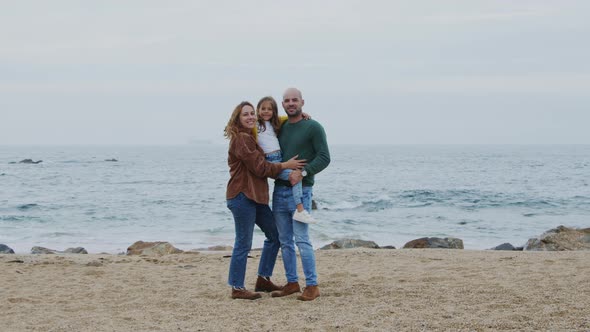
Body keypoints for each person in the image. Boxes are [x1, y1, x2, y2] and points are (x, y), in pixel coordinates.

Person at [224, 101, 306, 300]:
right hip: (242, 196)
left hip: (256, 197)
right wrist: (285, 164)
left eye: (253, 114)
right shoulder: (242, 139)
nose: (251, 117)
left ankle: (263, 279)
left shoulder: (252, 136)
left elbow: (276, 119)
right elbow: (260, 168)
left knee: (275, 235)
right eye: (246, 114)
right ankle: (237, 288)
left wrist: (302, 114)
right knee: (243, 243)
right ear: (238, 118)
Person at [270, 88, 330, 301]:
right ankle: (292, 283)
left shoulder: (313, 127)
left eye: (295, 100)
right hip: (279, 191)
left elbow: (324, 157)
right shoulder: (281, 126)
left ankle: (312, 285)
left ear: (302, 102)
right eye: (287, 100)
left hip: (302, 192)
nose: (291, 103)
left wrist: (303, 172)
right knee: (285, 241)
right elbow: (263, 121)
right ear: (283, 104)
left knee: (302, 240)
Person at [254, 96, 317, 224]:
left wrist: (303, 114)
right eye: (263, 109)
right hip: (271, 160)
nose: (266, 111)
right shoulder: (255, 125)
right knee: (295, 176)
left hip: (280, 157)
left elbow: (288, 118)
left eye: (269, 109)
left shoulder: (275, 122)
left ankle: (299, 210)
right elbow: (242, 124)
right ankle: (300, 209)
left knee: (296, 175)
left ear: (274, 111)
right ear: (258, 110)